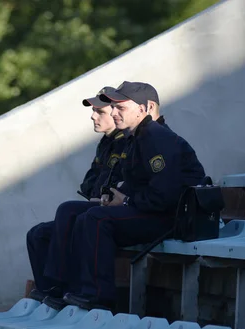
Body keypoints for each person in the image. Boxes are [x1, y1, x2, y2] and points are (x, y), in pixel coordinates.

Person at [57, 81, 205, 311]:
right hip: (149, 210)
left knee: (96, 219)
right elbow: (137, 184)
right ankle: (61, 290)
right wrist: (116, 198)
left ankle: (98, 297)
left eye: (121, 108)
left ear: (146, 108)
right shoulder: (138, 137)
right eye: (113, 108)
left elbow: (165, 196)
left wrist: (125, 201)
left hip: (171, 218)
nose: (114, 113)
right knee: (70, 211)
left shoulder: (156, 137)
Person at [26, 86, 126, 302]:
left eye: (99, 112)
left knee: (68, 210)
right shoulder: (106, 143)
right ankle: (49, 290)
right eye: (93, 111)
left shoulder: (127, 141)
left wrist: (101, 196)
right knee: (37, 234)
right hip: (96, 207)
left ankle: (61, 286)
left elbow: (121, 185)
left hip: (115, 212)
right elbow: (90, 182)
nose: (92, 116)